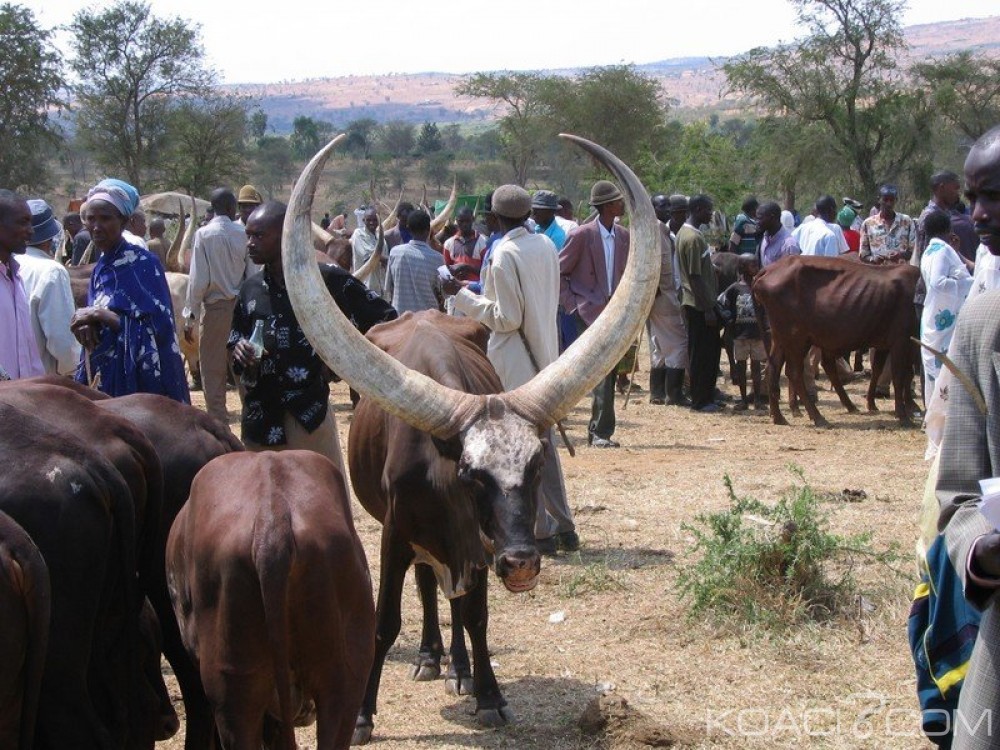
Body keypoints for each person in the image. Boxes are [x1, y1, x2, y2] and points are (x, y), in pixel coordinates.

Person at [445, 184, 579, 554]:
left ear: (495, 217)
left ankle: (540, 532)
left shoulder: (504, 254)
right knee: (542, 443)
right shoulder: (546, 246)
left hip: (515, 363)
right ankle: (564, 525)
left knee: (519, 452)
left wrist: (459, 295)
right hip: (546, 358)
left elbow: (505, 318)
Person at [229, 200, 396, 478]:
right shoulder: (250, 289)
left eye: (258, 235)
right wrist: (239, 350)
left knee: (323, 502)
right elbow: (235, 337)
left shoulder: (325, 280)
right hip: (260, 420)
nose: (250, 243)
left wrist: (345, 362)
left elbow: (385, 318)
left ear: (284, 236)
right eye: (248, 235)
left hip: (307, 417)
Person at [933, 124, 1000, 750]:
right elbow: (956, 494)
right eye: (974, 195)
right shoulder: (982, 324)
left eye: (996, 195)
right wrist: (981, 549)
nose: (978, 213)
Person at [70, 184, 188, 402]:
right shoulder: (100, 269)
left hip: (143, 387)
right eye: (90, 218)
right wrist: (87, 326)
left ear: (124, 221)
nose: (96, 226)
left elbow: (159, 328)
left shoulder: (144, 264)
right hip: (106, 380)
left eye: (105, 218)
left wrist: (99, 315)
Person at [560, 180, 630, 446]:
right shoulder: (582, 235)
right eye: (617, 200)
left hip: (613, 312)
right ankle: (600, 432)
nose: (621, 204)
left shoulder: (623, 236)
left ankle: (599, 431)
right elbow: (560, 272)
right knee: (599, 371)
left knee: (607, 371)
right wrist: (573, 305)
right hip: (587, 313)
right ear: (607, 206)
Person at [183, 188, 254, 425]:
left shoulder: (203, 235)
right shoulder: (244, 233)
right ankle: (253, 421)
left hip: (215, 311)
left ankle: (220, 429)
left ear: (213, 208)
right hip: (242, 309)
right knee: (243, 369)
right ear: (232, 208)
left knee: (213, 373)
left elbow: (198, 281)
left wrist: (190, 315)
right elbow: (253, 274)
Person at [17, 200, 80, 375]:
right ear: (50, 237)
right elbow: (62, 341)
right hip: (41, 387)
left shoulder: (8, 265)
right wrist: (75, 369)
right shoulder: (51, 271)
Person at [919, 211, 972, 401]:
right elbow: (938, 282)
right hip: (943, 319)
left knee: (934, 365)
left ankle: (934, 415)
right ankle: (943, 417)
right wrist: (964, 282)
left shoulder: (928, 251)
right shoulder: (943, 250)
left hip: (932, 314)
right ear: (948, 229)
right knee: (945, 365)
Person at [676, 194, 722, 413]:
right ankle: (700, 399)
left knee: (708, 352)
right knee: (701, 354)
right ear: (698, 209)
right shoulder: (692, 238)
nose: (711, 214)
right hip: (698, 304)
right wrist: (709, 308)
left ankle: (708, 395)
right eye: (708, 209)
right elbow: (694, 276)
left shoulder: (686, 234)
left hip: (699, 302)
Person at [647, 194, 689, 406]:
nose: (666, 209)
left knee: (659, 345)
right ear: (652, 207)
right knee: (678, 343)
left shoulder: (656, 229)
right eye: (661, 206)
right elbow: (657, 265)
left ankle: (657, 392)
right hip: (664, 294)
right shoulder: (657, 229)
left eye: (668, 206)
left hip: (659, 296)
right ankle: (674, 394)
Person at [0, 190, 44, 379]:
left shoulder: (15, 276)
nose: (31, 230)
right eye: (22, 222)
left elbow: (27, 349)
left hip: (22, 400)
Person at [718, 254, 766, 410]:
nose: (756, 268)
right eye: (752, 265)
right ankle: (744, 400)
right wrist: (729, 321)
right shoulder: (734, 289)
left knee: (756, 368)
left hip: (757, 335)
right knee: (741, 367)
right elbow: (722, 304)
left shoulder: (760, 287)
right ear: (743, 268)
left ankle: (757, 399)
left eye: (756, 265)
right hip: (740, 336)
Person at [385, 209, 442, 314]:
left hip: (401, 318)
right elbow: (443, 293)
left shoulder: (395, 253)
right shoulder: (437, 258)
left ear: (408, 228)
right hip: (428, 319)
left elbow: (389, 287)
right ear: (429, 229)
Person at [859, 184, 917, 264]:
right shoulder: (868, 224)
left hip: (900, 273)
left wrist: (900, 255)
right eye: (885, 200)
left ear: (896, 200)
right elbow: (863, 255)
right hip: (878, 273)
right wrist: (873, 259)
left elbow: (913, 252)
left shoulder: (906, 221)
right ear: (879, 200)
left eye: (891, 200)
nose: (889, 204)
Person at [350, 207, 387, 298]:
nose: (372, 223)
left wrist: (385, 260)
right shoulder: (358, 234)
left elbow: (385, 262)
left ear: (378, 221)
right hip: (365, 287)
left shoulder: (381, 238)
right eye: (369, 220)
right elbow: (368, 257)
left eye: (375, 220)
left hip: (381, 288)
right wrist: (386, 259)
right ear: (363, 220)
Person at [443, 205, 487, 283]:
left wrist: (467, 267)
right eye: (461, 221)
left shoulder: (483, 242)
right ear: (456, 221)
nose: (464, 224)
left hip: (477, 292)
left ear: (473, 219)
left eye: (467, 221)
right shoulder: (449, 244)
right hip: (456, 291)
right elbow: (445, 271)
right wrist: (455, 273)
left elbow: (487, 272)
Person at [757, 201, 801, 267]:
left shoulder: (789, 245)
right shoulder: (766, 238)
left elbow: (792, 274)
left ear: (772, 218)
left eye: (760, 218)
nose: (757, 222)